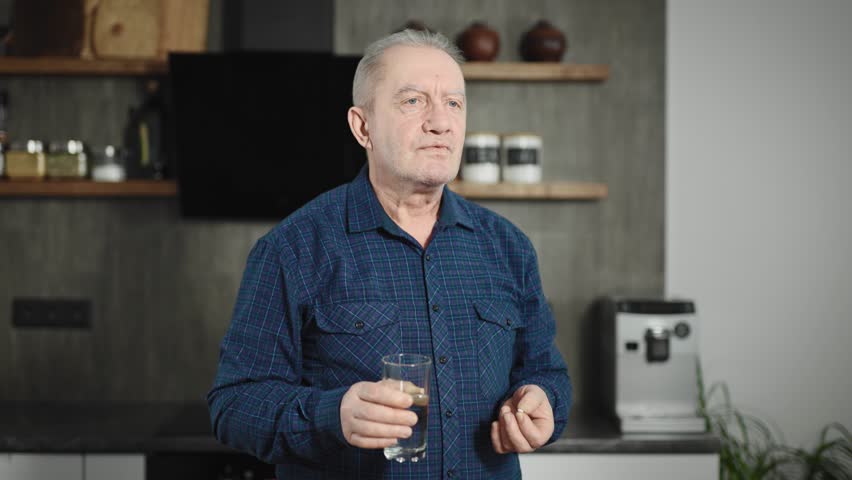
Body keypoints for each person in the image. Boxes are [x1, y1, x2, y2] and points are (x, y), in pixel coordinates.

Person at [208, 29, 572, 479]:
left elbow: (547, 372)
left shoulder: (509, 247)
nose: (441, 122)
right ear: (363, 127)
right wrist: (332, 415)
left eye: (454, 103)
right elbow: (234, 404)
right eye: (413, 101)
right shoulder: (293, 249)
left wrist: (544, 400)